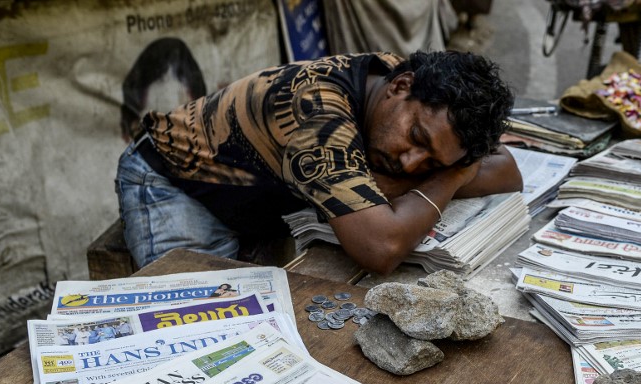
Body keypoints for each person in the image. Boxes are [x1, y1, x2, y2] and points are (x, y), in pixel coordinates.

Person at [115, 50, 522, 273]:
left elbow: (509, 171)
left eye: (432, 160)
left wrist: (441, 173)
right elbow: (381, 247)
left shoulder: (405, 91)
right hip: (176, 182)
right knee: (196, 322)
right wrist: (452, 175)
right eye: (416, 137)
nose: (410, 162)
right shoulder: (318, 116)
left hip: (262, 194)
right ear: (400, 86)